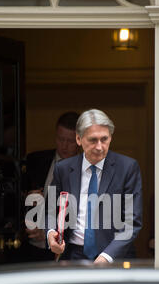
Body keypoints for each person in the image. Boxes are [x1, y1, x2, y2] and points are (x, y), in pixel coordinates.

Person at [47, 109, 142, 263]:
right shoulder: (63, 169)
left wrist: (107, 257)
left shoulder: (127, 168)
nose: (99, 146)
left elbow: (132, 223)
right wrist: (51, 233)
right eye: (93, 140)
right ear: (78, 139)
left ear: (111, 137)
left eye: (104, 139)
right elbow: (50, 210)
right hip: (73, 256)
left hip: (114, 257)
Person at [22, 111, 80, 261]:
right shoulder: (35, 161)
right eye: (61, 139)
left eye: (70, 141)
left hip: (67, 254)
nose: (64, 146)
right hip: (30, 248)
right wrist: (27, 197)